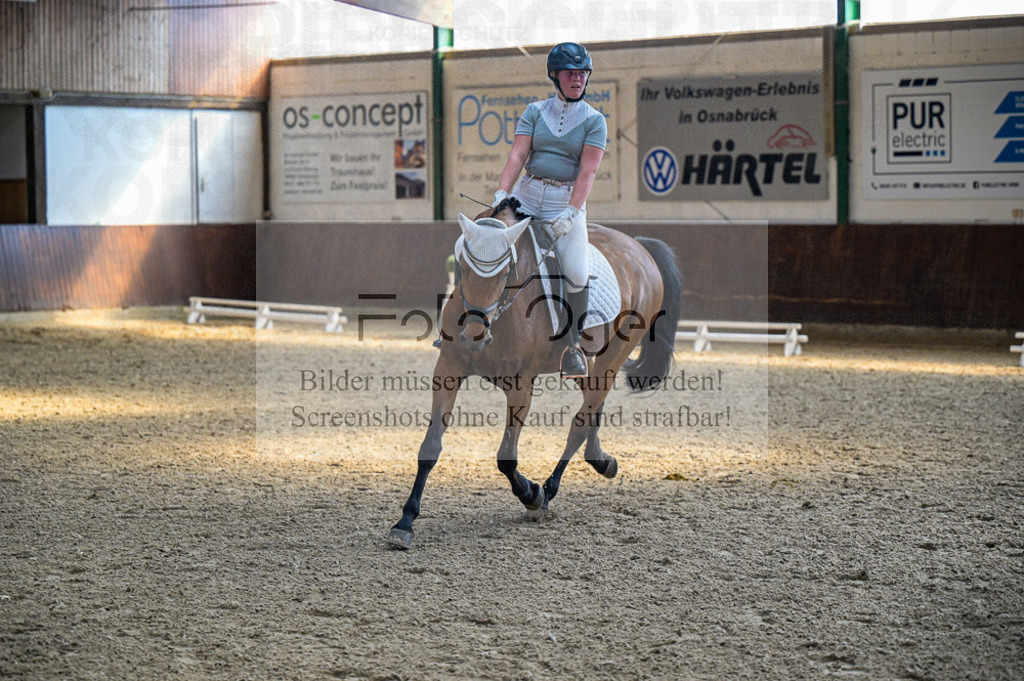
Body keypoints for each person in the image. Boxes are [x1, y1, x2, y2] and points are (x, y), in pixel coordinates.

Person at [492, 42, 608, 378]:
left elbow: (588, 171)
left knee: (575, 271)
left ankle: (572, 347)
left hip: (565, 200)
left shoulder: (594, 121)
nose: (578, 79)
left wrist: (572, 212)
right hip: (526, 194)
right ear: (555, 76)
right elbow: (517, 156)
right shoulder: (534, 111)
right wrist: (503, 192)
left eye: (583, 73)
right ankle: (465, 320)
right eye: (571, 73)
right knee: (486, 242)